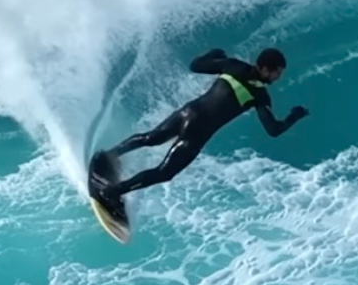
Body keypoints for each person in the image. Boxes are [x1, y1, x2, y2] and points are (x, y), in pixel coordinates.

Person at [91, 47, 307, 209]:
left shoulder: (233, 65)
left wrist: (215, 54)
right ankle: (113, 192)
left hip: (188, 113)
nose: (278, 77)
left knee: (151, 138)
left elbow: (195, 65)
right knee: (165, 172)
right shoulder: (259, 95)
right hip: (198, 131)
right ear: (265, 68)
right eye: (277, 72)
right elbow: (274, 130)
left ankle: (108, 155)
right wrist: (294, 117)